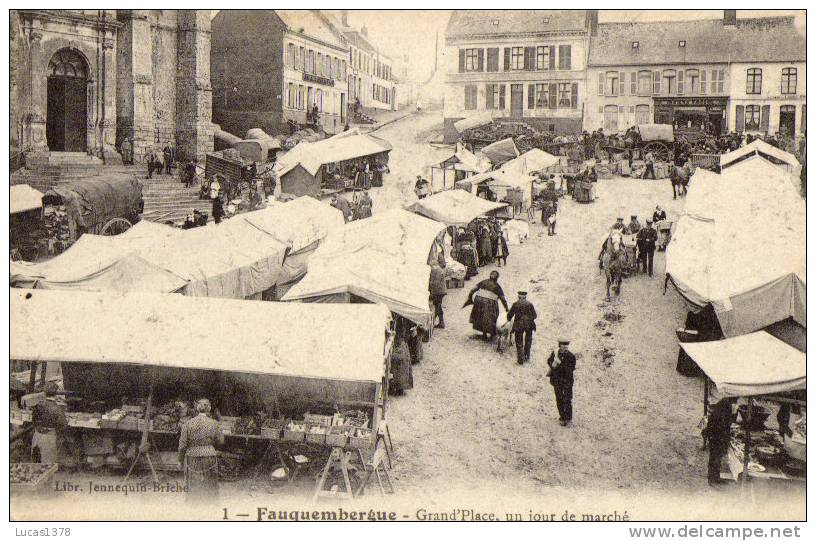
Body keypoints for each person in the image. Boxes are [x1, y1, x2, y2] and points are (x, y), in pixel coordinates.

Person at [178, 398, 224, 500]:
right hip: (210, 455)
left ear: (197, 408)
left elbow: (182, 445)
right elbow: (221, 441)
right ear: (209, 408)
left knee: (193, 483)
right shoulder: (215, 424)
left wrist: (180, 461)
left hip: (192, 456)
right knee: (210, 483)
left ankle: (194, 505)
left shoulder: (187, 423)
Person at [463, 270, 509, 341]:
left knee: (480, 317)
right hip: (489, 303)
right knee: (492, 317)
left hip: (479, 300)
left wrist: (470, 298)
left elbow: (473, 289)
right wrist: (506, 308)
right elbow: (502, 299)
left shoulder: (483, 282)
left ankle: (484, 334)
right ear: (497, 278)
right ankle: (491, 335)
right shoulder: (497, 286)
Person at [31, 382, 70, 465]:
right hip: (49, 437)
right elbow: (63, 425)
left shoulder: (38, 405)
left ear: (44, 393)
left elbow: (33, 420)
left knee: (35, 463)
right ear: (56, 394)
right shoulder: (57, 408)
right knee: (48, 465)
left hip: (37, 436)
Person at [702, 398, 734, 487]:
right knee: (715, 457)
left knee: (717, 458)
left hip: (716, 434)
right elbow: (722, 423)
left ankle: (716, 477)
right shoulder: (726, 404)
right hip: (716, 435)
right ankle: (712, 479)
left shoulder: (725, 403)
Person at [546, 339, 577, 427]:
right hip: (557, 381)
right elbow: (549, 361)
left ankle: (569, 419)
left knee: (567, 400)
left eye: (566, 347)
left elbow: (570, 369)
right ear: (560, 346)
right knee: (559, 399)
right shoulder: (555, 353)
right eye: (563, 347)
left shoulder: (571, 356)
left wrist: (559, 365)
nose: (565, 349)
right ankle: (562, 418)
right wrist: (553, 364)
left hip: (567, 381)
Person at [507, 291, 537, 365]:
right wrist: (529, 319)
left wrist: (509, 319)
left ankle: (520, 359)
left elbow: (510, 315)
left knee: (519, 341)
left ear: (518, 297)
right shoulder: (530, 304)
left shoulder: (515, 304)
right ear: (525, 297)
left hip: (518, 325)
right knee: (528, 340)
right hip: (529, 325)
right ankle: (527, 356)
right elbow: (535, 316)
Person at [429, 258, 447, 329]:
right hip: (441, 291)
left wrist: (431, 291)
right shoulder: (438, 269)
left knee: (437, 307)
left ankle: (432, 322)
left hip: (439, 291)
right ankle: (441, 323)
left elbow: (436, 283)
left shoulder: (435, 270)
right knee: (438, 306)